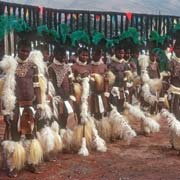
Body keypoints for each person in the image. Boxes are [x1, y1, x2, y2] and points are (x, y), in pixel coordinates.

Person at [1, 39, 43, 177]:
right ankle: (13, 165)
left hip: (30, 105)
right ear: (17, 50)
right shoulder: (10, 66)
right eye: (22, 50)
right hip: (15, 106)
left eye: (27, 51)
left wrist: (40, 105)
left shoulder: (33, 67)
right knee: (15, 135)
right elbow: (5, 89)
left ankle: (32, 162)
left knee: (30, 134)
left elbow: (37, 87)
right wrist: (6, 111)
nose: (25, 53)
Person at [48, 44, 78, 129]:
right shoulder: (51, 68)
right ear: (55, 54)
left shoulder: (67, 67)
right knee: (60, 117)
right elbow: (52, 84)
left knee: (69, 115)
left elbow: (70, 81)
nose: (63, 57)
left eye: (64, 55)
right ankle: (60, 135)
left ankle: (68, 134)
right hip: (58, 98)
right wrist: (58, 95)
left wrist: (71, 93)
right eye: (61, 55)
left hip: (68, 96)